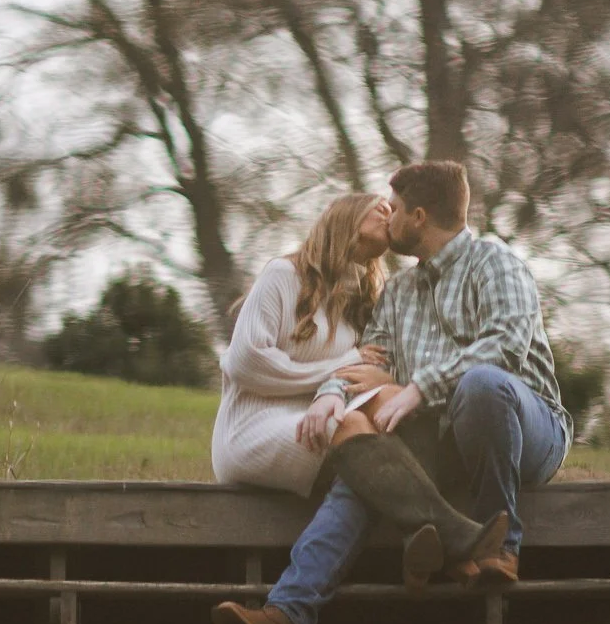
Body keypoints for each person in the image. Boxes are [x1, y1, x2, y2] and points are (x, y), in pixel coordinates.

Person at [212, 160, 570, 624]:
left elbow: (505, 347)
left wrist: (421, 385)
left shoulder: (495, 264)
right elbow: (369, 362)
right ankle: (289, 615)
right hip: (443, 437)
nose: (390, 215)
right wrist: (330, 395)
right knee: (367, 459)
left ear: (418, 217)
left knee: (482, 384)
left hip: (522, 428)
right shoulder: (399, 295)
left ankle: (499, 548)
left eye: (396, 208)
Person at [210, 190, 507, 590]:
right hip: (251, 430)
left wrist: (374, 383)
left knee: (387, 403)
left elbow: (367, 378)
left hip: (315, 419)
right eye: (380, 208)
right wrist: (337, 369)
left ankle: (429, 545)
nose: (389, 215)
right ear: (345, 215)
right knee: (349, 422)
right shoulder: (284, 275)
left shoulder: (362, 302)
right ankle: (456, 537)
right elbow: (245, 363)